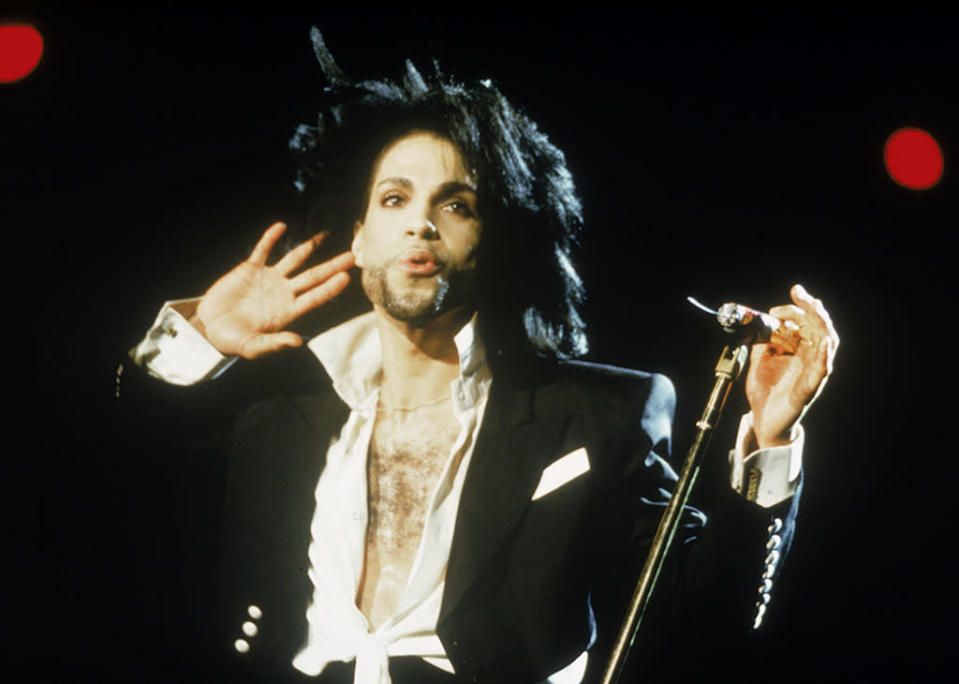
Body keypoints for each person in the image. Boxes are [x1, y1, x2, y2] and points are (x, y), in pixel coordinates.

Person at [124, 29, 838, 684]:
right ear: (361, 233)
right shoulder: (277, 402)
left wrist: (770, 438)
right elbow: (100, 474)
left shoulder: (595, 413)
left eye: (456, 205)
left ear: (494, 236)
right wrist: (200, 340)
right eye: (394, 199)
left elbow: (706, 616)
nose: (421, 223)